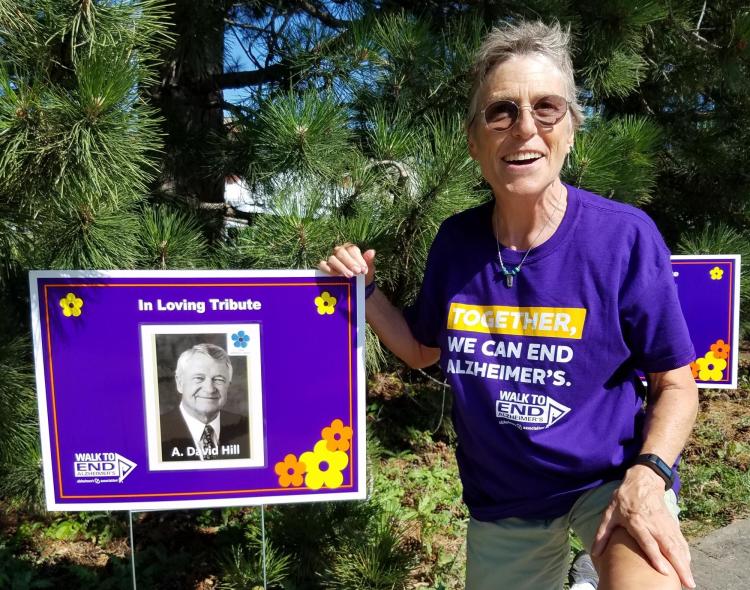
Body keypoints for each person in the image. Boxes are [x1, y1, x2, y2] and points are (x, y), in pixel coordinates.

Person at [320, 21, 698, 590]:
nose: (525, 129)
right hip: (504, 502)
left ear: (570, 130)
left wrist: (650, 475)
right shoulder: (456, 242)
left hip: (610, 483)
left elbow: (676, 383)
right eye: (502, 111)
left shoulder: (623, 239)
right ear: (474, 141)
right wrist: (366, 293)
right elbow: (423, 349)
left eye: (546, 109)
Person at [160, 343, 250, 462]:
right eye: (199, 378)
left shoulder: (248, 429)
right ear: (180, 383)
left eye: (218, 379)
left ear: (228, 385)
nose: (209, 389)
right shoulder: (157, 431)